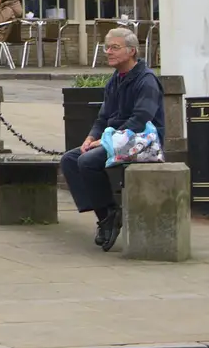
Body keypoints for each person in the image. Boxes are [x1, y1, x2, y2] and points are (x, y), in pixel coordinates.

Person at [59, 27, 164, 252]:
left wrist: (107, 141)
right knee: (70, 159)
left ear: (132, 51)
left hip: (141, 141)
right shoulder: (115, 80)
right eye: (107, 47)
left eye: (115, 48)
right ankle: (106, 215)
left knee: (87, 162)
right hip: (116, 138)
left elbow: (140, 119)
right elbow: (104, 117)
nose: (108, 52)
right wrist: (91, 137)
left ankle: (108, 214)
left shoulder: (146, 80)